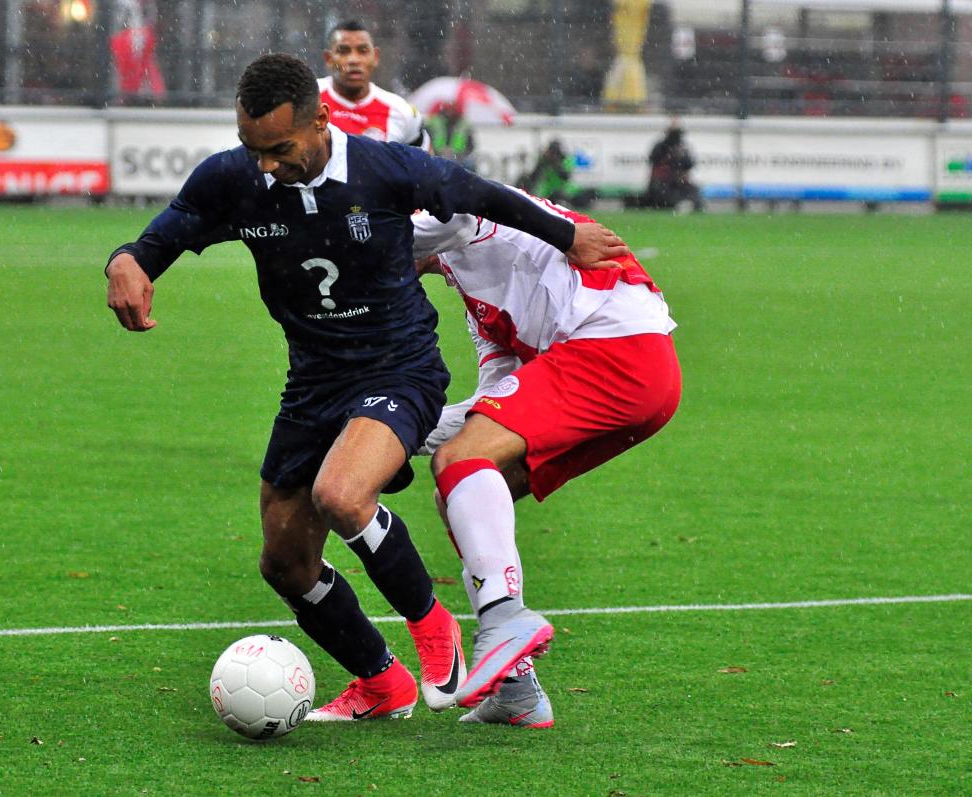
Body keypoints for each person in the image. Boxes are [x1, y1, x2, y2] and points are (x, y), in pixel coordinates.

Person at [104, 53, 630, 722]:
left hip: (398, 367)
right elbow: (170, 230)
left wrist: (568, 236)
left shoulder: (385, 169)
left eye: (279, 149)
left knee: (341, 493)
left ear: (321, 120)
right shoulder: (235, 178)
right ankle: (384, 684)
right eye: (252, 148)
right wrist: (126, 260)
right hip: (313, 381)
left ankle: (433, 624)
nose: (265, 164)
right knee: (285, 561)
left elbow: (477, 193)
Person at [412, 194, 679, 726]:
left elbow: (395, 233)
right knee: (458, 485)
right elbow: (492, 401)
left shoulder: (443, 217)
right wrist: (400, 434)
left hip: (617, 350)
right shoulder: (473, 292)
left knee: (460, 460)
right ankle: (518, 692)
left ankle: (505, 618)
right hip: (637, 375)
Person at [318, 20, 427, 147]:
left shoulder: (402, 112)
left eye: (362, 51)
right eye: (343, 51)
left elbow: (425, 165)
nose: (354, 60)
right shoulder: (308, 98)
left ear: (375, 57)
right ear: (328, 58)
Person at [519, 140, 596, 210]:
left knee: (579, 199)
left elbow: (565, 176)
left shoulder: (567, 160)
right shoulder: (545, 161)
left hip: (566, 191)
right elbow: (533, 177)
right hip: (549, 193)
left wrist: (555, 163)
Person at [644, 122, 703, 211]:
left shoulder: (683, 148)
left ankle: (688, 204)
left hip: (679, 182)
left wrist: (681, 156)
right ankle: (676, 204)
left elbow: (689, 164)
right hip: (663, 181)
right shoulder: (660, 147)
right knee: (662, 193)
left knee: (694, 191)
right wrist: (668, 154)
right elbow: (653, 160)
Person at [426, 103, 475, 170]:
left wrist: (458, 154)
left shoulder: (464, 125)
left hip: (459, 158)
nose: (450, 110)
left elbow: (470, 146)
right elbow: (426, 141)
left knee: (469, 164)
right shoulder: (434, 122)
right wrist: (439, 151)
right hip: (436, 156)